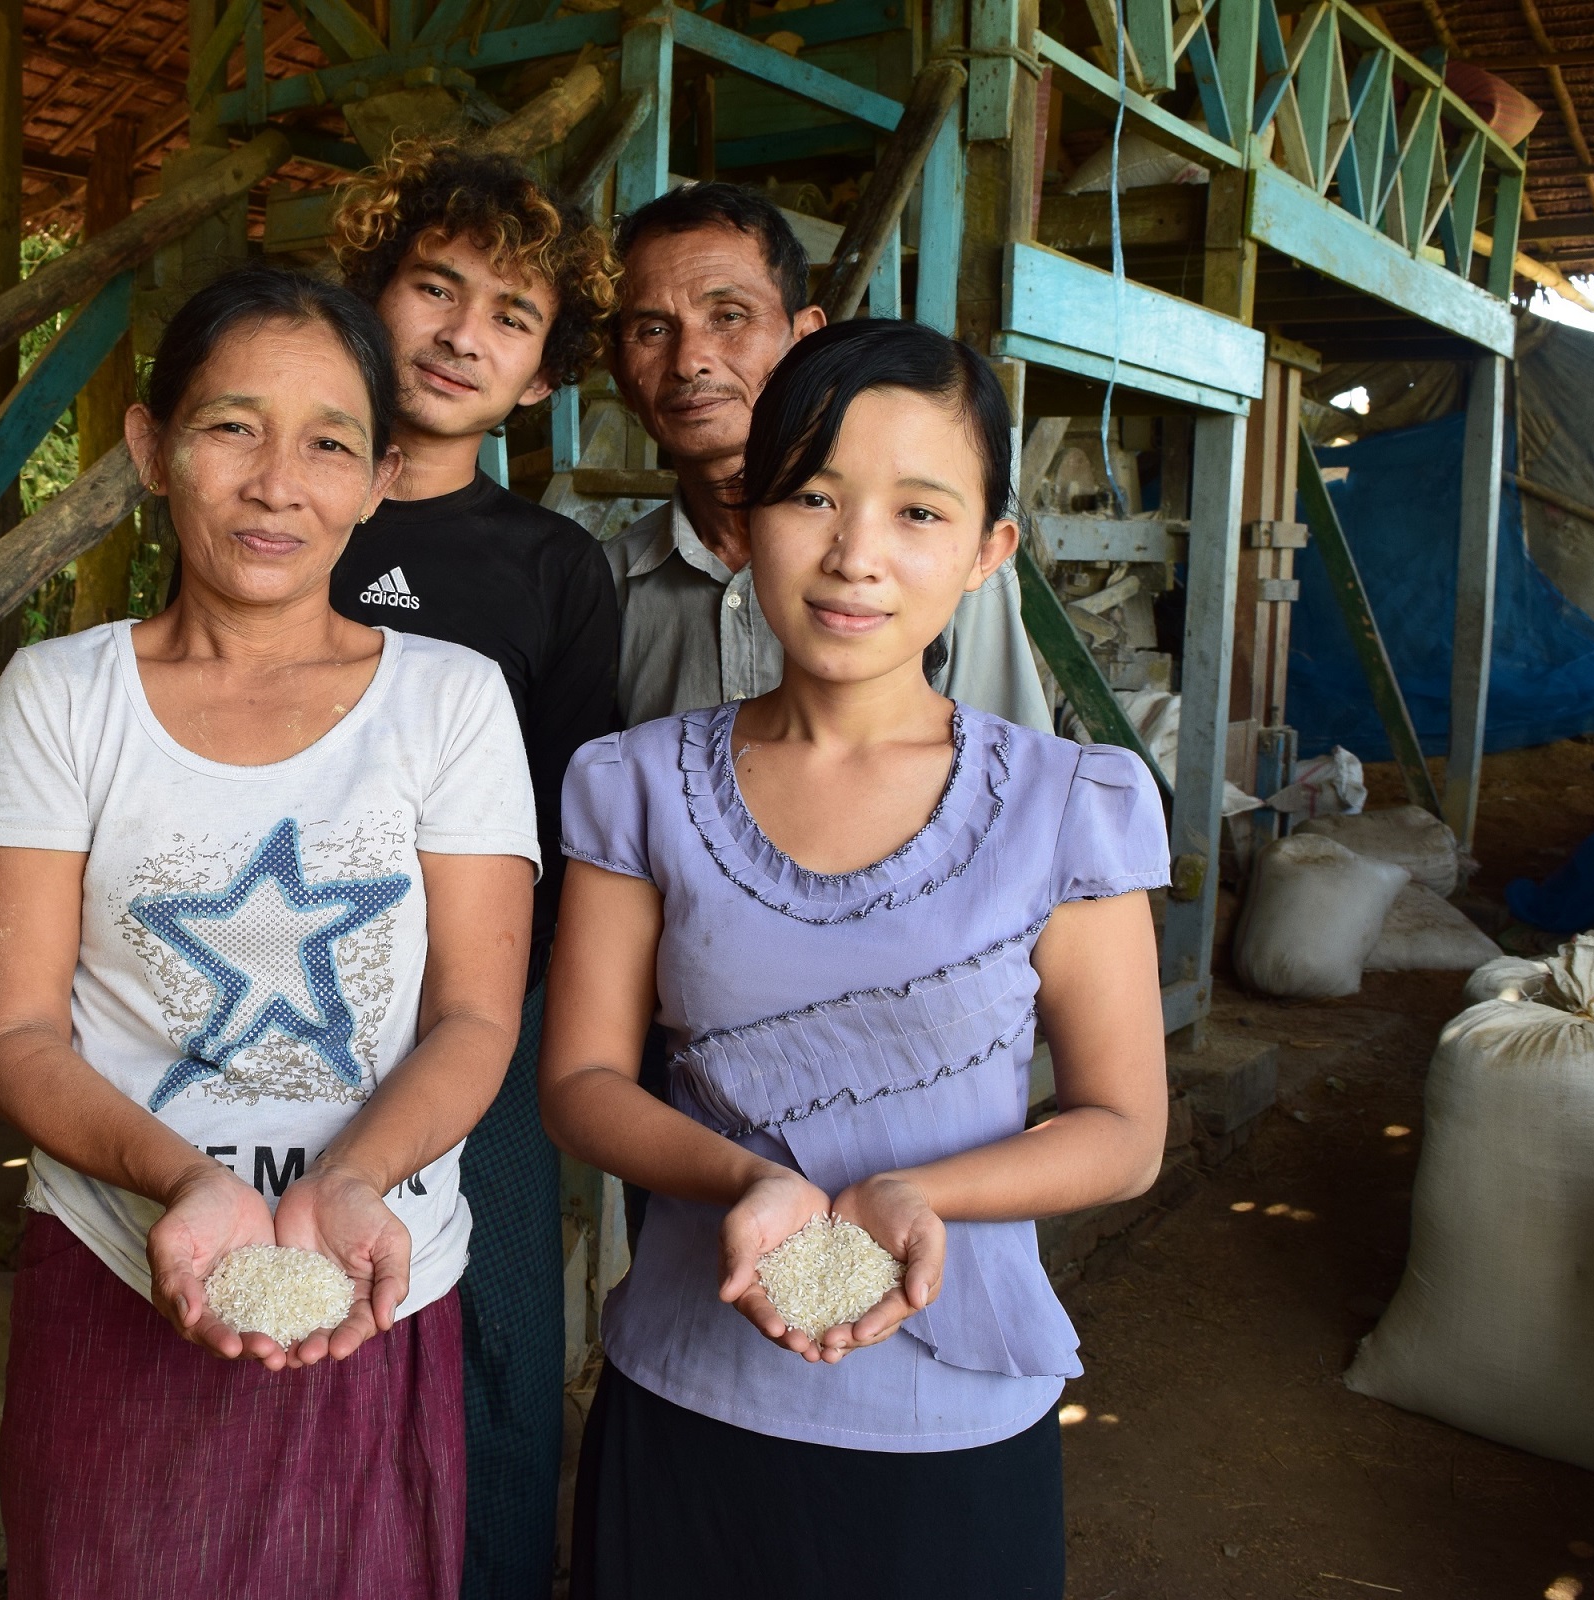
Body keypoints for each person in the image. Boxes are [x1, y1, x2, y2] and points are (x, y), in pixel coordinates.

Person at [540, 318, 1171, 1597]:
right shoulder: (635, 783)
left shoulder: (1068, 801)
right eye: (811, 496)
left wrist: (918, 1195)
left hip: (948, 1432)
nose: (855, 555)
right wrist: (748, 1181)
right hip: (688, 1401)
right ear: (740, 522)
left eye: (920, 512)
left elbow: (1122, 1127)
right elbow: (583, 1083)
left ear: (993, 550)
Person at [0, 264, 542, 1598]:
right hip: (120, 1260)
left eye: (329, 442)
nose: (280, 482)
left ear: (383, 473)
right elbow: (14, 1027)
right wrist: (186, 1185)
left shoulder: (449, 702)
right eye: (232, 427)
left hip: (373, 1270)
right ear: (153, 448)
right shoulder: (62, 700)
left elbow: (476, 1016)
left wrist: (346, 1185)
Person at [327, 140, 622, 1600]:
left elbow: (574, 832)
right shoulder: (279, 511)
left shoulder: (555, 570)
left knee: (498, 1329)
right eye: (432, 287)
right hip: (274, 1001)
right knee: (283, 1297)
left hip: (482, 1017)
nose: (459, 333)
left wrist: (514, 1028)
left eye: (508, 314)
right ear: (369, 299)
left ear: (543, 370)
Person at [604, 181, 1050, 732]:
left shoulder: (939, 565)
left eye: (730, 316)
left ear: (804, 340)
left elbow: (1011, 786)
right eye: (652, 329)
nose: (690, 360)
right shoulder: (605, 586)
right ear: (620, 372)